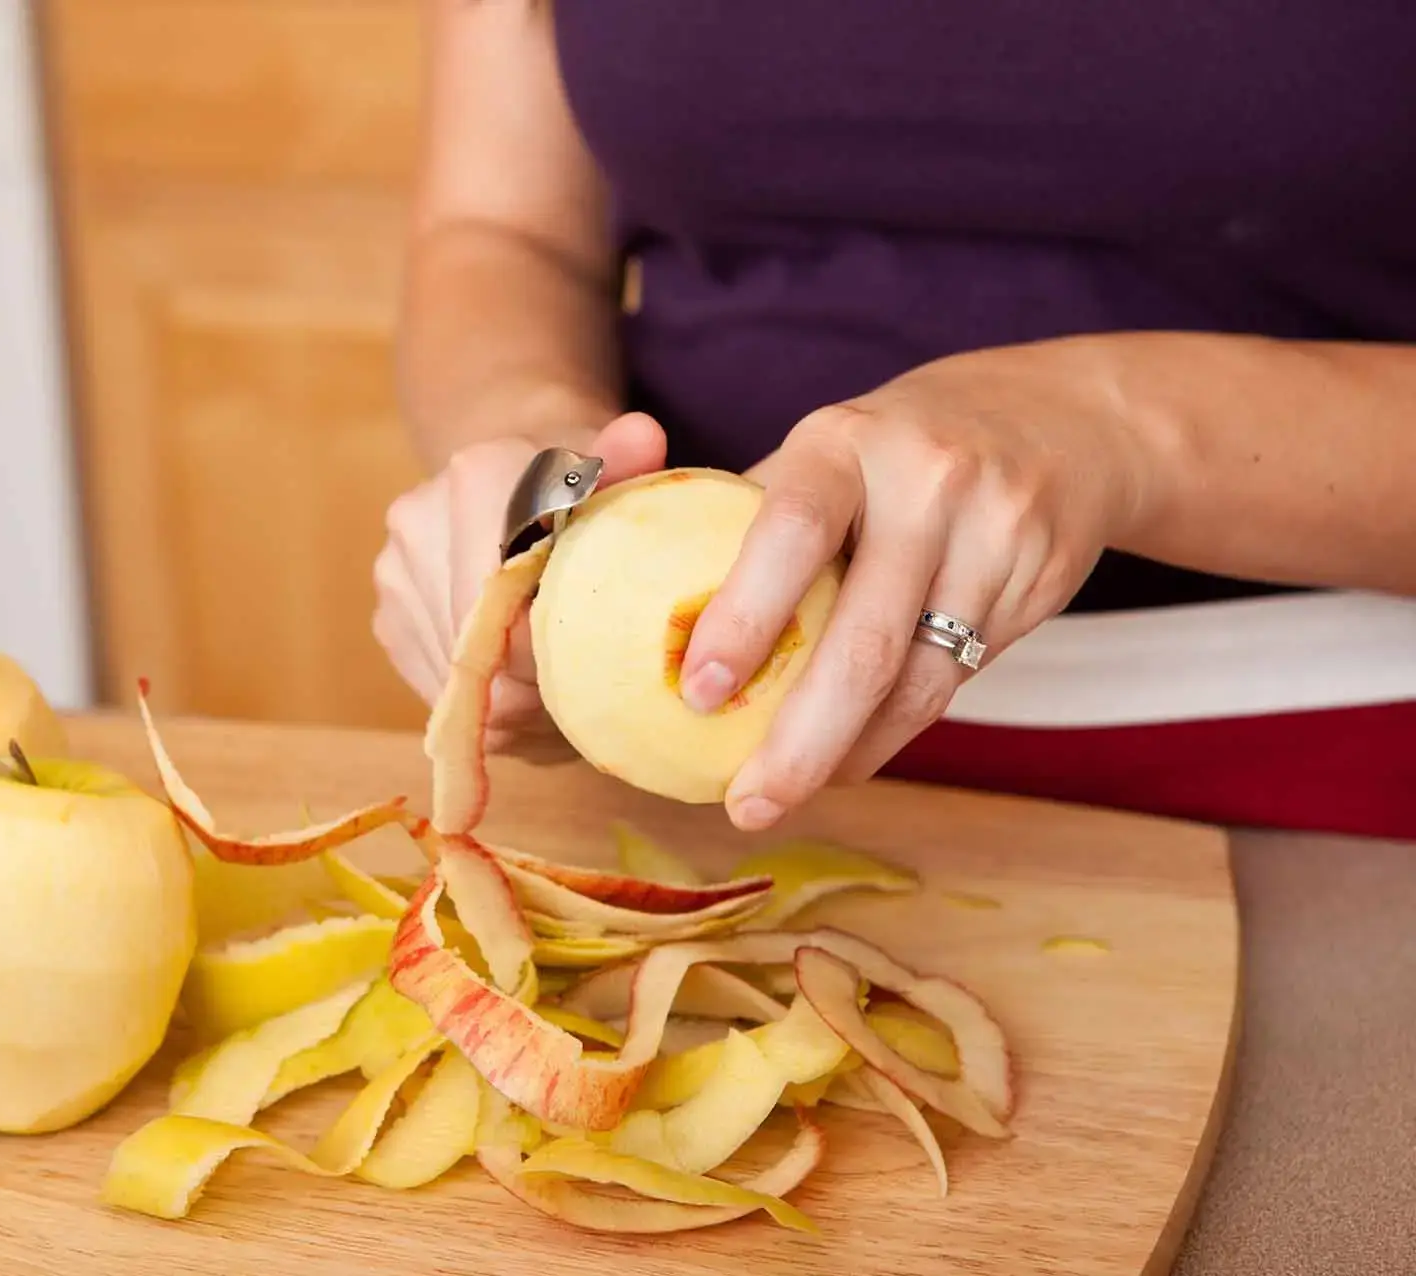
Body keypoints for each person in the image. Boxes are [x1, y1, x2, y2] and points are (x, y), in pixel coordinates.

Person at [370, 1, 1416, 842]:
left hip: (1322, 798)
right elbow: (500, 231)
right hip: (696, 806)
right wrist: (541, 482)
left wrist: (1118, 429)